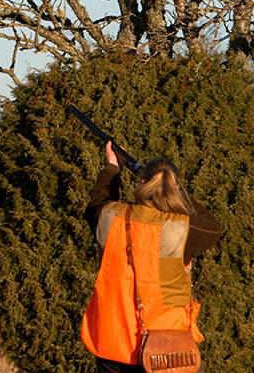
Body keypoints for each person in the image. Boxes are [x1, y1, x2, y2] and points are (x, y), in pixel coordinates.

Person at [81, 142, 222, 373]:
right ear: (172, 188)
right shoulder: (183, 229)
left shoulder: (109, 218)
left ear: (141, 184)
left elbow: (98, 203)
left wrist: (112, 169)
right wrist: (176, 189)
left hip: (115, 347)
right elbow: (212, 228)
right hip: (170, 352)